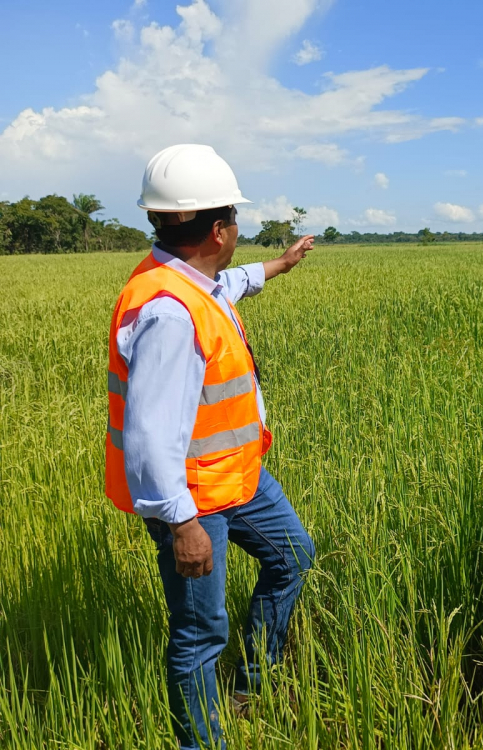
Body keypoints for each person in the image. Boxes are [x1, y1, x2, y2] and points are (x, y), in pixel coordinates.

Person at [105, 144, 316, 750]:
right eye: (235, 220)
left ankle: (252, 688)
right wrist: (182, 524)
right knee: (201, 632)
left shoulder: (188, 279)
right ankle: (204, 742)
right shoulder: (169, 313)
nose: (239, 233)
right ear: (219, 228)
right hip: (193, 501)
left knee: (292, 556)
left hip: (237, 477)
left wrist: (280, 264)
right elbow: (147, 437)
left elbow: (230, 284)